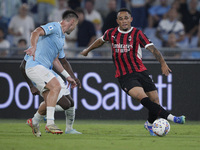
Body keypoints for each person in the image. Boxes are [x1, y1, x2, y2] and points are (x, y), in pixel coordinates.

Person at [81, 8, 185, 136]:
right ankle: (172, 118)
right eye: (121, 18)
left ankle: (149, 124)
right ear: (117, 21)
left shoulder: (137, 34)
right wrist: (87, 50)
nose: (124, 21)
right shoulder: (111, 33)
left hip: (141, 71)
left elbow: (152, 49)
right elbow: (100, 41)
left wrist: (163, 63)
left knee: (155, 101)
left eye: (126, 18)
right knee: (143, 98)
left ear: (131, 19)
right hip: (124, 75)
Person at [24, 10, 79, 135]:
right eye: (76, 25)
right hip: (35, 66)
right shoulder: (54, 26)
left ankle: (35, 121)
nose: (75, 28)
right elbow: (36, 32)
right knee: (56, 86)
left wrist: (68, 76)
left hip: (44, 69)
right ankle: (50, 123)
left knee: (50, 98)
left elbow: (55, 61)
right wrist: (33, 46)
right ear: (72, 22)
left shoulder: (61, 38)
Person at [20, 57, 82, 137]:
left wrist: (70, 77)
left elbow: (60, 61)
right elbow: (22, 66)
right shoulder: (34, 47)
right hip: (41, 77)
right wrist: (31, 86)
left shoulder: (57, 45)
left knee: (71, 103)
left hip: (52, 75)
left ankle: (69, 129)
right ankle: (46, 118)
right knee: (65, 104)